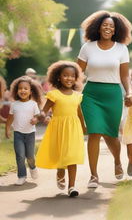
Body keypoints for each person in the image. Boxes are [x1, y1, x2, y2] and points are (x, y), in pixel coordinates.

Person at [77, 10, 132, 188]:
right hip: (92, 94)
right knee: (94, 132)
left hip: (113, 94)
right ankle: (93, 175)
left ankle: (117, 161)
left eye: (111, 26)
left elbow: (125, 76)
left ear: (116, 30)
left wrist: (129, 92)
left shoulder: (121, 49)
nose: (108, 28)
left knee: (111, 134)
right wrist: (69, 93)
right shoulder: (87, 47)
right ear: (98, 27)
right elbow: (77, 73)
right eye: (105, 25)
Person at [36, 61, 86, 197]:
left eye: (72, 76)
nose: (69, 78)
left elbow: (79, 113)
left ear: (76, 78)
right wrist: (40, 115)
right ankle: (60, 172)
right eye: (65, 75)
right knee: (61, 156)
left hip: (73, 129)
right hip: (58, 129)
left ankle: (72, 187)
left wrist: (84, 126)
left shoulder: (78, 96)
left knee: (72, 157)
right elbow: (45, 110)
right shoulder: (54, 94)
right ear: (58, 77)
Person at [5, 76, 42, 185]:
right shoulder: (14, 104)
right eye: (20, 88)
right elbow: (10, 118)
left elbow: (38, 116)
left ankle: (33, 167)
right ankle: (22, 176)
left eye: (26, 88)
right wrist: (7, 129)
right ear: (16, 91)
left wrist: (35, 119)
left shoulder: (33, 104)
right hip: (18, 134)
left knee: (30, 156)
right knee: (20, 155)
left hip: (30, 134)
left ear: (30, 91)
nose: (23, 90)